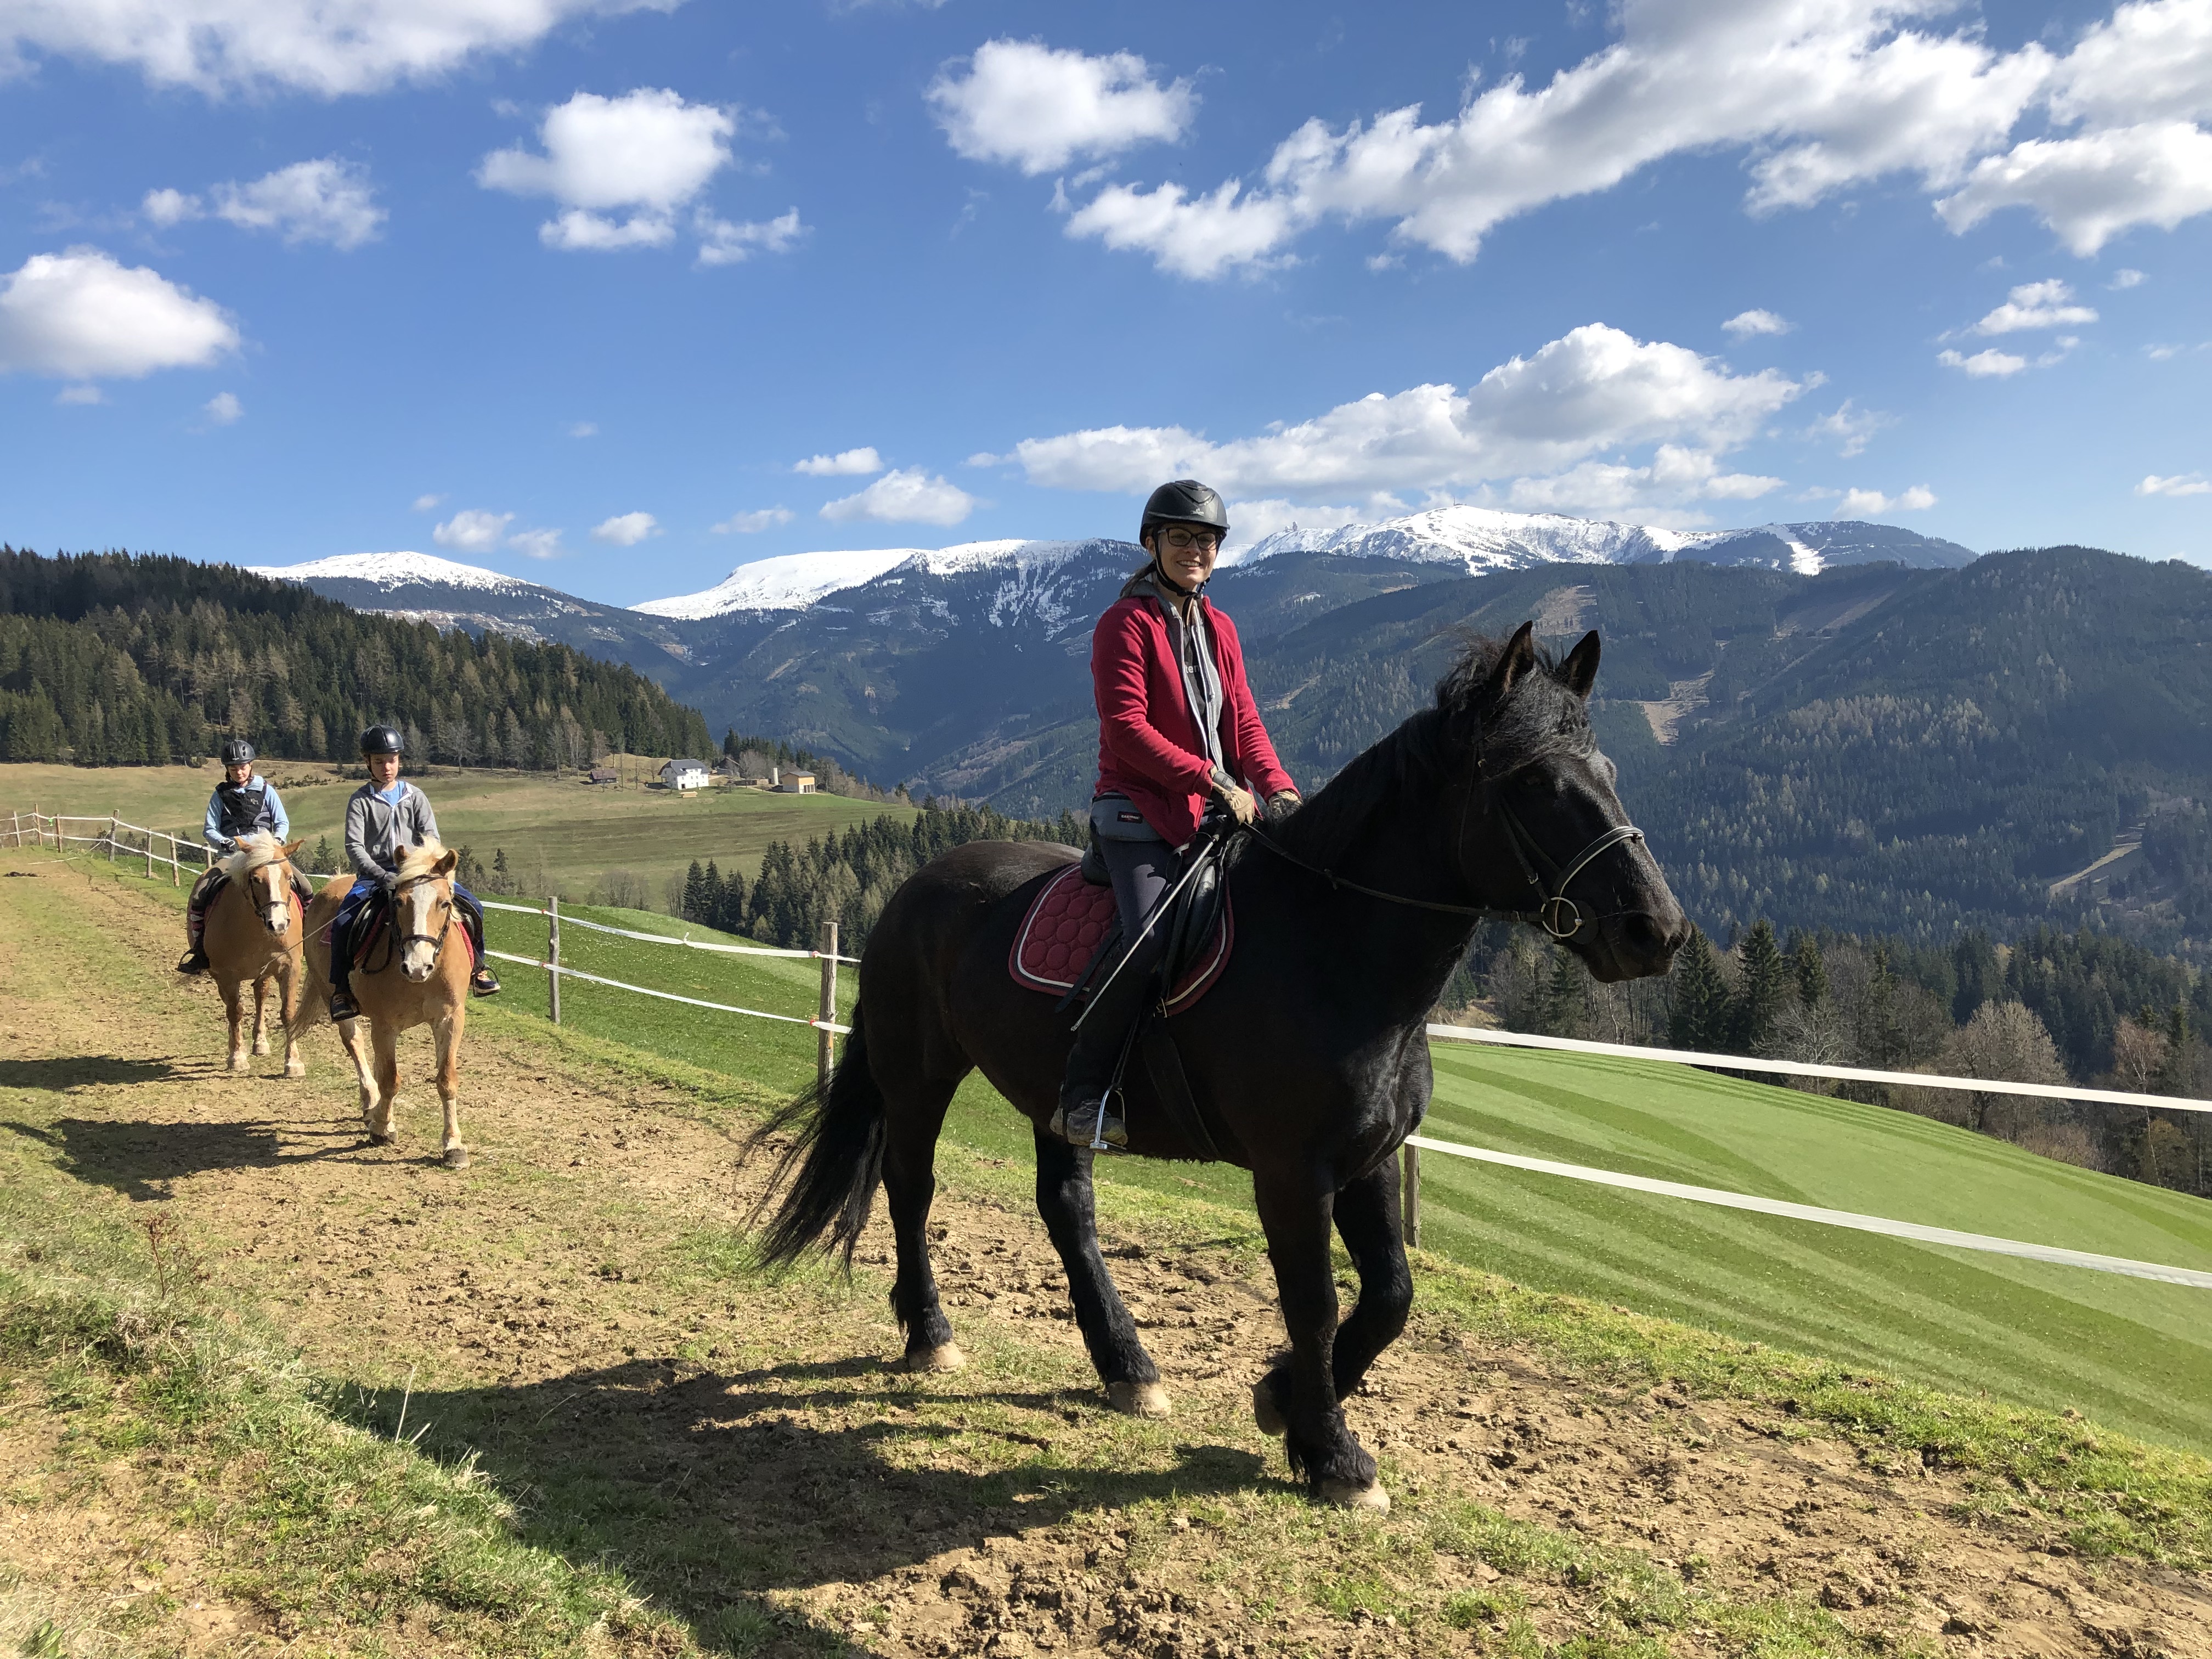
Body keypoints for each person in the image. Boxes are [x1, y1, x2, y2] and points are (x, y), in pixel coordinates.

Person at [1054, 479, 1301, 1148]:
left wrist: (1278, 790)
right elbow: (1127, 728)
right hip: (1136, 812)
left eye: (1208, 540)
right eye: (1182, 537)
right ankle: (1084, 1094)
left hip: (1211, 813)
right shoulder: (1123, 624)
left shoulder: (1220, 627)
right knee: (1150, 944)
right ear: (1151, 542)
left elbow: (1244, 720)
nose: (1197, 550)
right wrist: (1215, 779)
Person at [325, 724, 501, 1021]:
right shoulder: (360, 801)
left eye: (391, 760)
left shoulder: (415, 796)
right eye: (379, 761)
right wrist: (382, 876)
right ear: (368, 762)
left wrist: (427, 869)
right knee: (344, 920)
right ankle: (342, 989)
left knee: (474, 907)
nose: (386, 767)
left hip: (419, 873)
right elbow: (354, 846)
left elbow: (431, 837)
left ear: (399, 761)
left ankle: (478, 970)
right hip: (376, 875)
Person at [177, 737, 312, 974]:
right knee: (201, 893)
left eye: (243, 766)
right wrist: (226, 843)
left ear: (251, 766)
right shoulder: (220, 795)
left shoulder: (266, 790)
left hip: (268, 854)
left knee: (306, 886)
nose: (239, 772)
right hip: (233, 854)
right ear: (227, 770)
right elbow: (209, 828)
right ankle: (200, 950)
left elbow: (281, 822)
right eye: (233, 768)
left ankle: (309, 942)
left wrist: (275, 844)